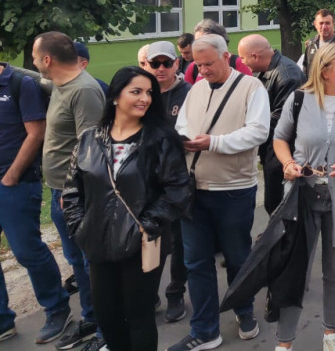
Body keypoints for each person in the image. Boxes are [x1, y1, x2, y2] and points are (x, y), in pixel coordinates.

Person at [62, 67, 191, 351]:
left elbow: (178, 190)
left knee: (138, 314)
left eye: (149, 93)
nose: (145, 98)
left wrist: (144, 227)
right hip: (97, 240)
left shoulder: (161, 139)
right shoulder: (89, 139)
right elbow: (72, 190)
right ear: (115, 96)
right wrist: (80, 228)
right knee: (107, 315)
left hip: (141, 243)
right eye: (136, 91)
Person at [270, 43, 335, 351]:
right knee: (296, 271)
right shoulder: (299, 100)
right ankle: (284, 342)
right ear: (325, 70)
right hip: (302, 196)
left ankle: (331, 333)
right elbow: (280, 138)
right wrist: (288, 164)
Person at [169, 34, 270, 351]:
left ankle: (243, 309)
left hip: (233, 189)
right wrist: (183, 139)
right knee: (196, 262)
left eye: (208, 64)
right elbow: (181, 125)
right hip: (193, 189)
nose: (202, 70)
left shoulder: (251, 88)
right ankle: (204, 330)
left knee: (237, 257)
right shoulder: (196, 89)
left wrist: (212, 143)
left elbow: (258, 132)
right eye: (198, 65)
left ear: (226, 57)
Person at [32, 32, 106, 351]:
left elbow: (91, 147)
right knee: (76, 258)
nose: (33, 62)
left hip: (75, 194)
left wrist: (74, 191)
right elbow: (33, 78)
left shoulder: (84, 90)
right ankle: (91, 316)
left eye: (35, 57)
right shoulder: (62, 85)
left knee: (92, 261)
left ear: (48, 59)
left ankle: (107, 327)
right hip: (60, 190)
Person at [0, 62, 71, 345]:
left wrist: (12, 175)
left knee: (26, 250)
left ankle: (57, 308)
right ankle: (3, 321)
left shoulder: (19, 84)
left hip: (15, 182)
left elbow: (36, 132)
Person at [144, 41, 191, 323]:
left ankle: (176, 291)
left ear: (176, 64)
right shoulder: (142, 92)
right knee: (151, 237)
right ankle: (149, 293)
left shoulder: (189, 93)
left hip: (178, 178)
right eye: (155, 64)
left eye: (166, 63)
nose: (160, 68)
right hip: (148, 179)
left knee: (180, 239)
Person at [237, 34, 305, 215]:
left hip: (285, 149)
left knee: (279, 203)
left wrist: (249, 126)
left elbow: (284, 118)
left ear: (255, 56)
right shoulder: (270, 70)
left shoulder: (287, 75)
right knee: (274, 202)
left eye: (243, 57)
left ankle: (283, 232)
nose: (242, 62)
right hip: (274, 147)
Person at [184, 20, 253, 85]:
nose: (203, 70)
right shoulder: (193, 67)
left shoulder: (238, 63)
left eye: (204, 42)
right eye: (196, 42)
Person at [301, 9, 335, 74]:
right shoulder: (311, 44)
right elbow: (305, 71)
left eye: (327, 23)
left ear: (333, 24)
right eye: (321, 23)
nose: (324, 27)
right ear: (315, 24)